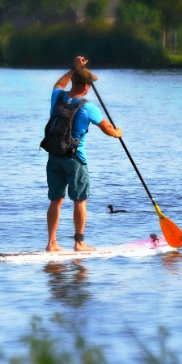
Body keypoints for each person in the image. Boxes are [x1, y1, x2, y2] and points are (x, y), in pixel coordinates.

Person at [45, 55, 122, 252]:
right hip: (75, 160)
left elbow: (58, 84)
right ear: (87, 86)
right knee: (79, 200)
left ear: (73, 81)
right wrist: (117, 133)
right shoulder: (88, 107)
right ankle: (79, 243)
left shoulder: (58, 98)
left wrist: (74, 68)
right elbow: (106, 128)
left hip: (54, 156)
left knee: (56, 200)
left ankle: (51, 243)